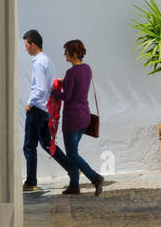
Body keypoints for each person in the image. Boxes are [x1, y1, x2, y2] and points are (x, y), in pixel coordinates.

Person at [50, 39, 104, 197]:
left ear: (73, 53)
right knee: (73, 152)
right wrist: (63, 81)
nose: (64, 54)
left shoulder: (71, 72)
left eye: (66, 51)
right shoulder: (87, 69)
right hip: (84, 116)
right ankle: (74, 185)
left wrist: (51, 91)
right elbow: (77, 86)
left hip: (72, 118)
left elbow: (66, 96)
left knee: (72, 154)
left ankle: (95, 178)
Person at [22, 29, 53, 192]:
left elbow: (40, 88)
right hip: (44, 109)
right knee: (48, 145)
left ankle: (31, 182)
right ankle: (72, 166)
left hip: (36, 109)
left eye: (26, 45)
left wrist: (30, 104)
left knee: (29, 146)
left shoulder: (39, 63)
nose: (25, 48)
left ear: (33, 45)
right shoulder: (47, 60)